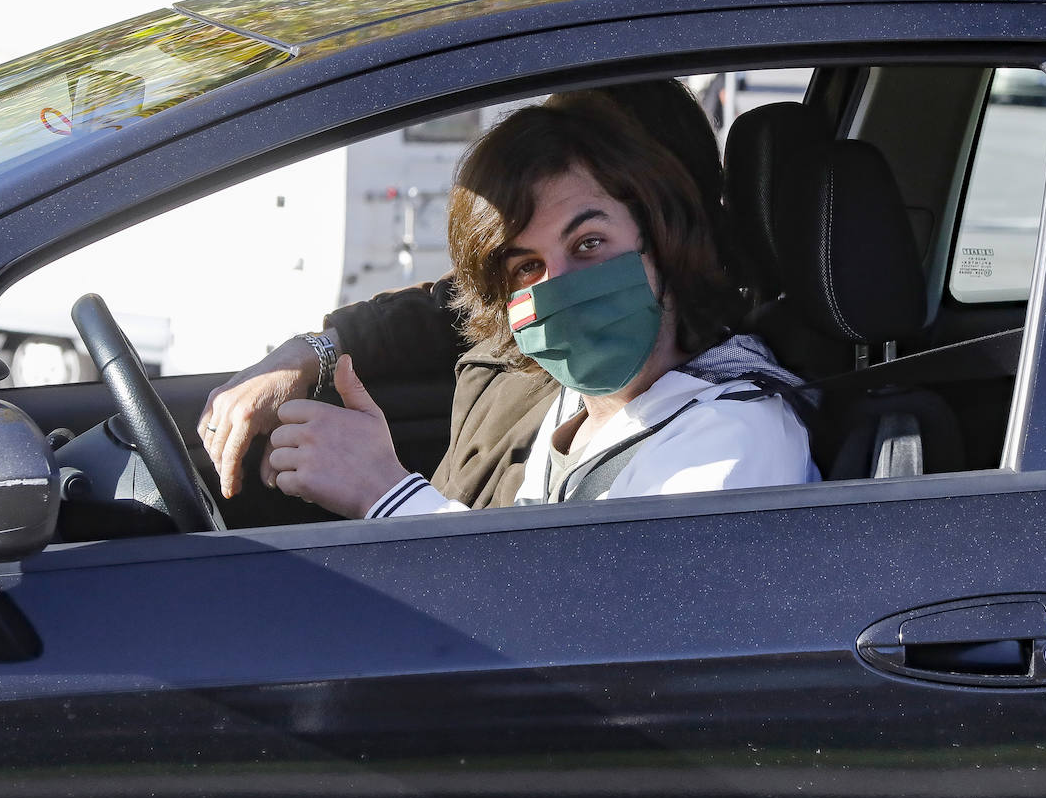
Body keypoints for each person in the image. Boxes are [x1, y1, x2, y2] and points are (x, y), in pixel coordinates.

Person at [250, 96, 817, 519]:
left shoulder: (736, 436)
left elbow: (592, 642)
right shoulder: (570, 402)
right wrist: (314, 351)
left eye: (589, 244)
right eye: (526, 267)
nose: (559, 285)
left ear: (663, 241)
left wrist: (384, 492)